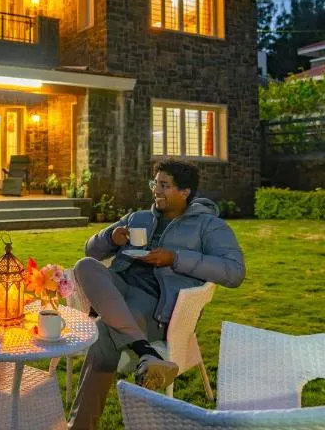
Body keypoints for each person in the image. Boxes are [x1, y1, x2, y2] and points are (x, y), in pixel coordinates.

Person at [68, 159, 246, 430]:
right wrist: (111, 238)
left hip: (156, 305)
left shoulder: (209, 226)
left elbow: (234, 272)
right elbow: (91, 250)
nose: (156, 190)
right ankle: (146, 351)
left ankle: (80, 426)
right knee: (85, 266)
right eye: (155, 183)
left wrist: (175, 258)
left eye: (164, 185)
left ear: (185, 191)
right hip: (119, 289)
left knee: (103, 333)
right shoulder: (138, 218)